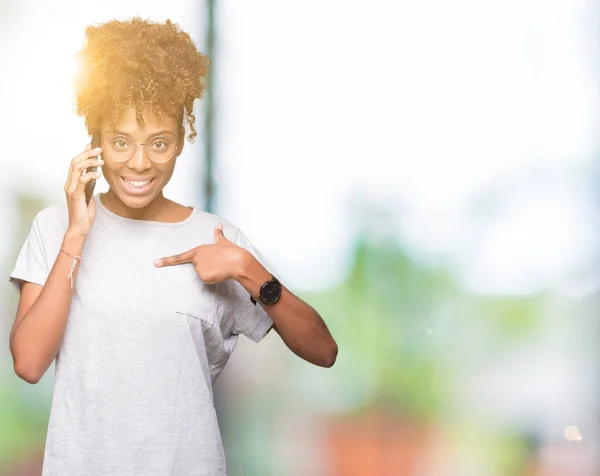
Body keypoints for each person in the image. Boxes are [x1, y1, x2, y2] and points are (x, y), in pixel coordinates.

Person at [8, 17, 338, 476]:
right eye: (121, 142)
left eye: (158, 143)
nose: (139, 163)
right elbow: (28, 362)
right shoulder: (56, 228)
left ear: (182, 141)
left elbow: (323, 351)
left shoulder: (218, 239)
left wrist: (247, 269)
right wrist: (76, 237)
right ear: (96, 142)